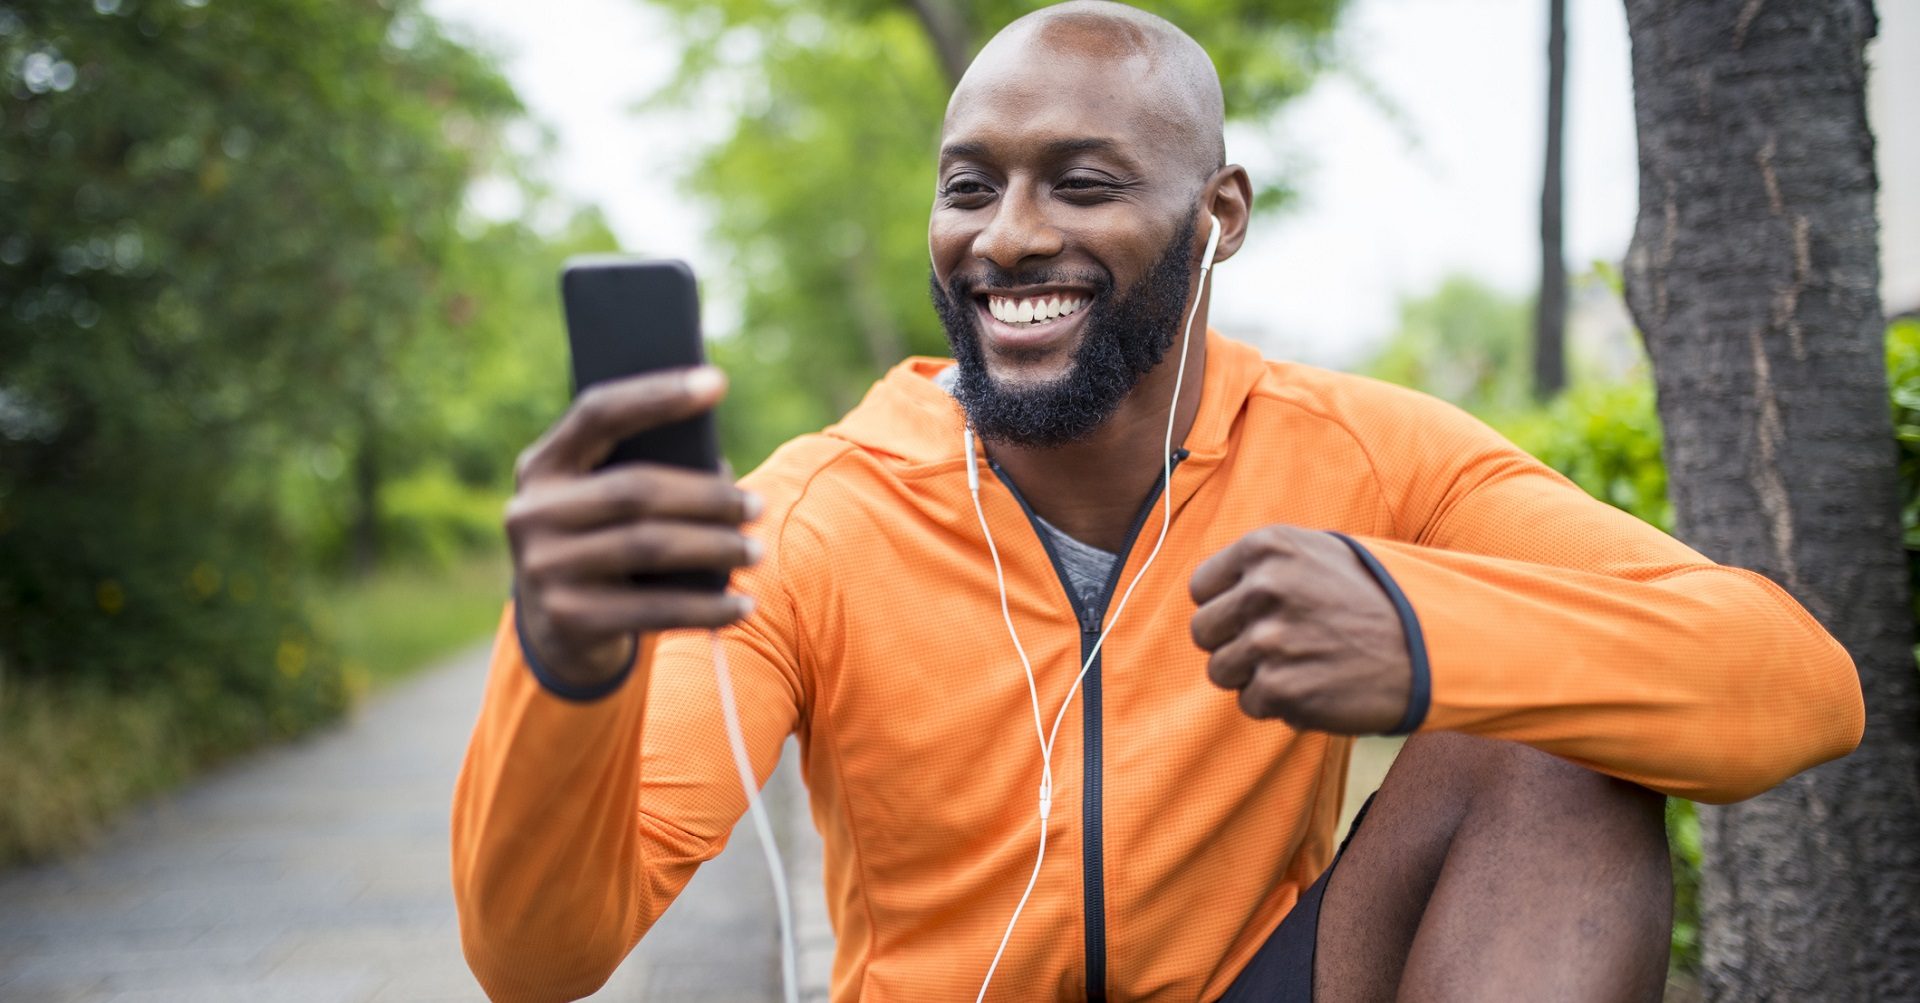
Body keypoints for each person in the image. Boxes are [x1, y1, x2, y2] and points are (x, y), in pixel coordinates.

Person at [451, 3, 1864, 1000]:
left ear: (1220, 215)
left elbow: (1799, 685)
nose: (1009, 236)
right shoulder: (824, 514)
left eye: (1081, 183)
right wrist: (565, 671)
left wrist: (1430, 643)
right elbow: (540, 964)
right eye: (969, 187)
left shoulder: (1360, 454)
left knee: (1564, 745)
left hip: (1268, 982)